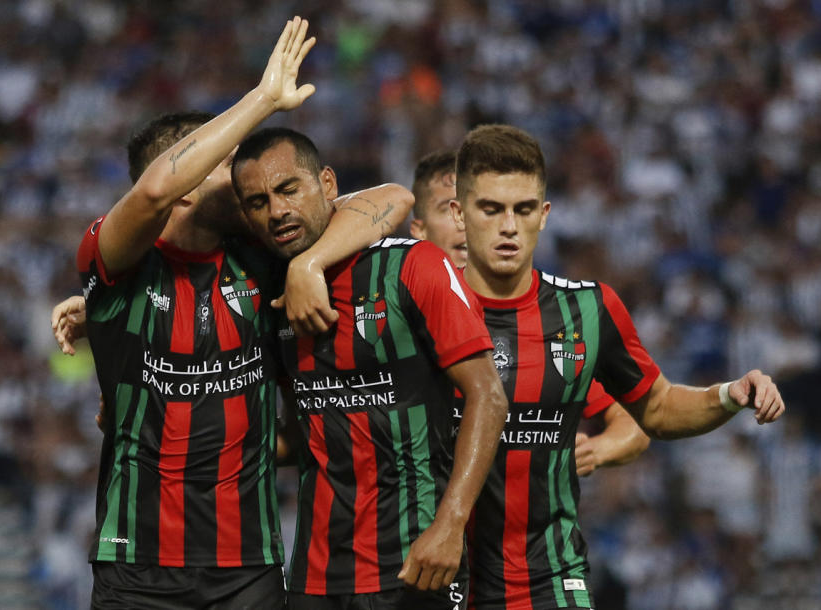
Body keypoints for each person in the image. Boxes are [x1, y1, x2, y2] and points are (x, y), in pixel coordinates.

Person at [75, 18, 413, 608]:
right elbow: (152, 194)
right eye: (224, 163)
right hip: (136, 567)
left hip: (249, 568)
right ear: (186, 181)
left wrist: (310, 266)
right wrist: (263, 99)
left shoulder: (262, 258)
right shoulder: (118, 265)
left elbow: (393, 199)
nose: (242, 177)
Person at [447, 124, 785, 609]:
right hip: (440, 577)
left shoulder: (587, 311)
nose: (508, 226)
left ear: (544, 216)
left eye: (523, 210)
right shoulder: (420, 306)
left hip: (549, 577)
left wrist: (731, 393)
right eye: (491, 209)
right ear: (460, 214)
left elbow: (659, 409)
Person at [230, 126, 509, 610]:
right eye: (258, 202)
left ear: (329, 185)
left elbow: (489, 395)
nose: (276, 211)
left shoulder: (415, 267)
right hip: (315, 576)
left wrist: (451, 524)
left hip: (416, 559)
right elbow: (303, 433)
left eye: (289, 189)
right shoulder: (267, 298)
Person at [409, 150, 650, 478]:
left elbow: (633, 422)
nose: (466, 224)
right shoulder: (397, 321)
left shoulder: (541, 322)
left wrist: (594, 451)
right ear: (419, 229)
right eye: (449, 209)